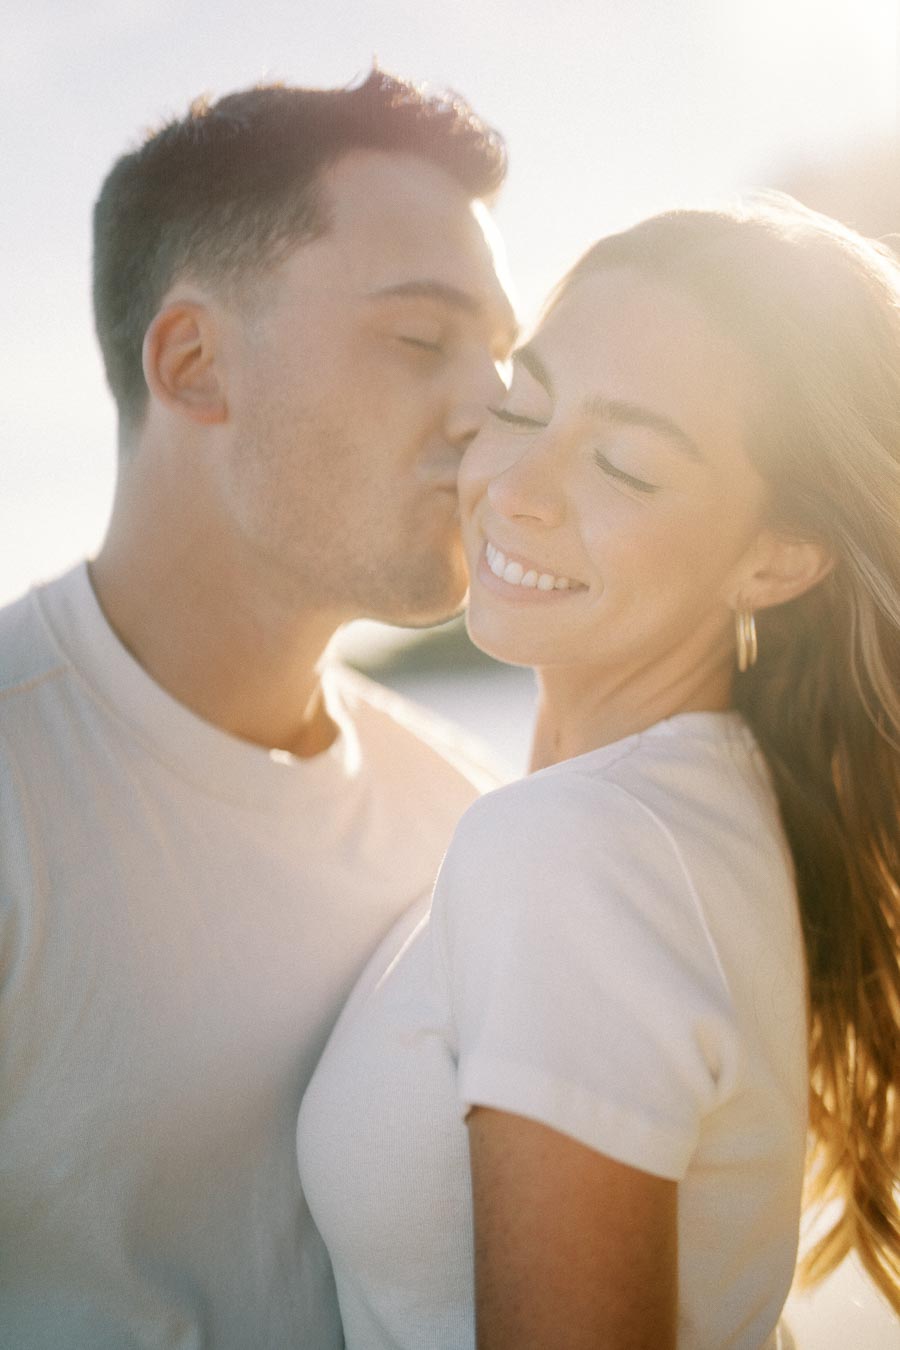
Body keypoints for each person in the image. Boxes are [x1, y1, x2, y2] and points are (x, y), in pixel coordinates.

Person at [298, 197, 900, 1348]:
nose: (519, 484)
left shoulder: (576, 848)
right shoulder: (706, 815)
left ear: (777, 559)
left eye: (625, 465)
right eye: (524, 404)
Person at [0, 71, 517, 1349]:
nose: (493, 410)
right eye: (421, 340)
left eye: (503, 355)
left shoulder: (469, 815)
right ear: (193, 365)